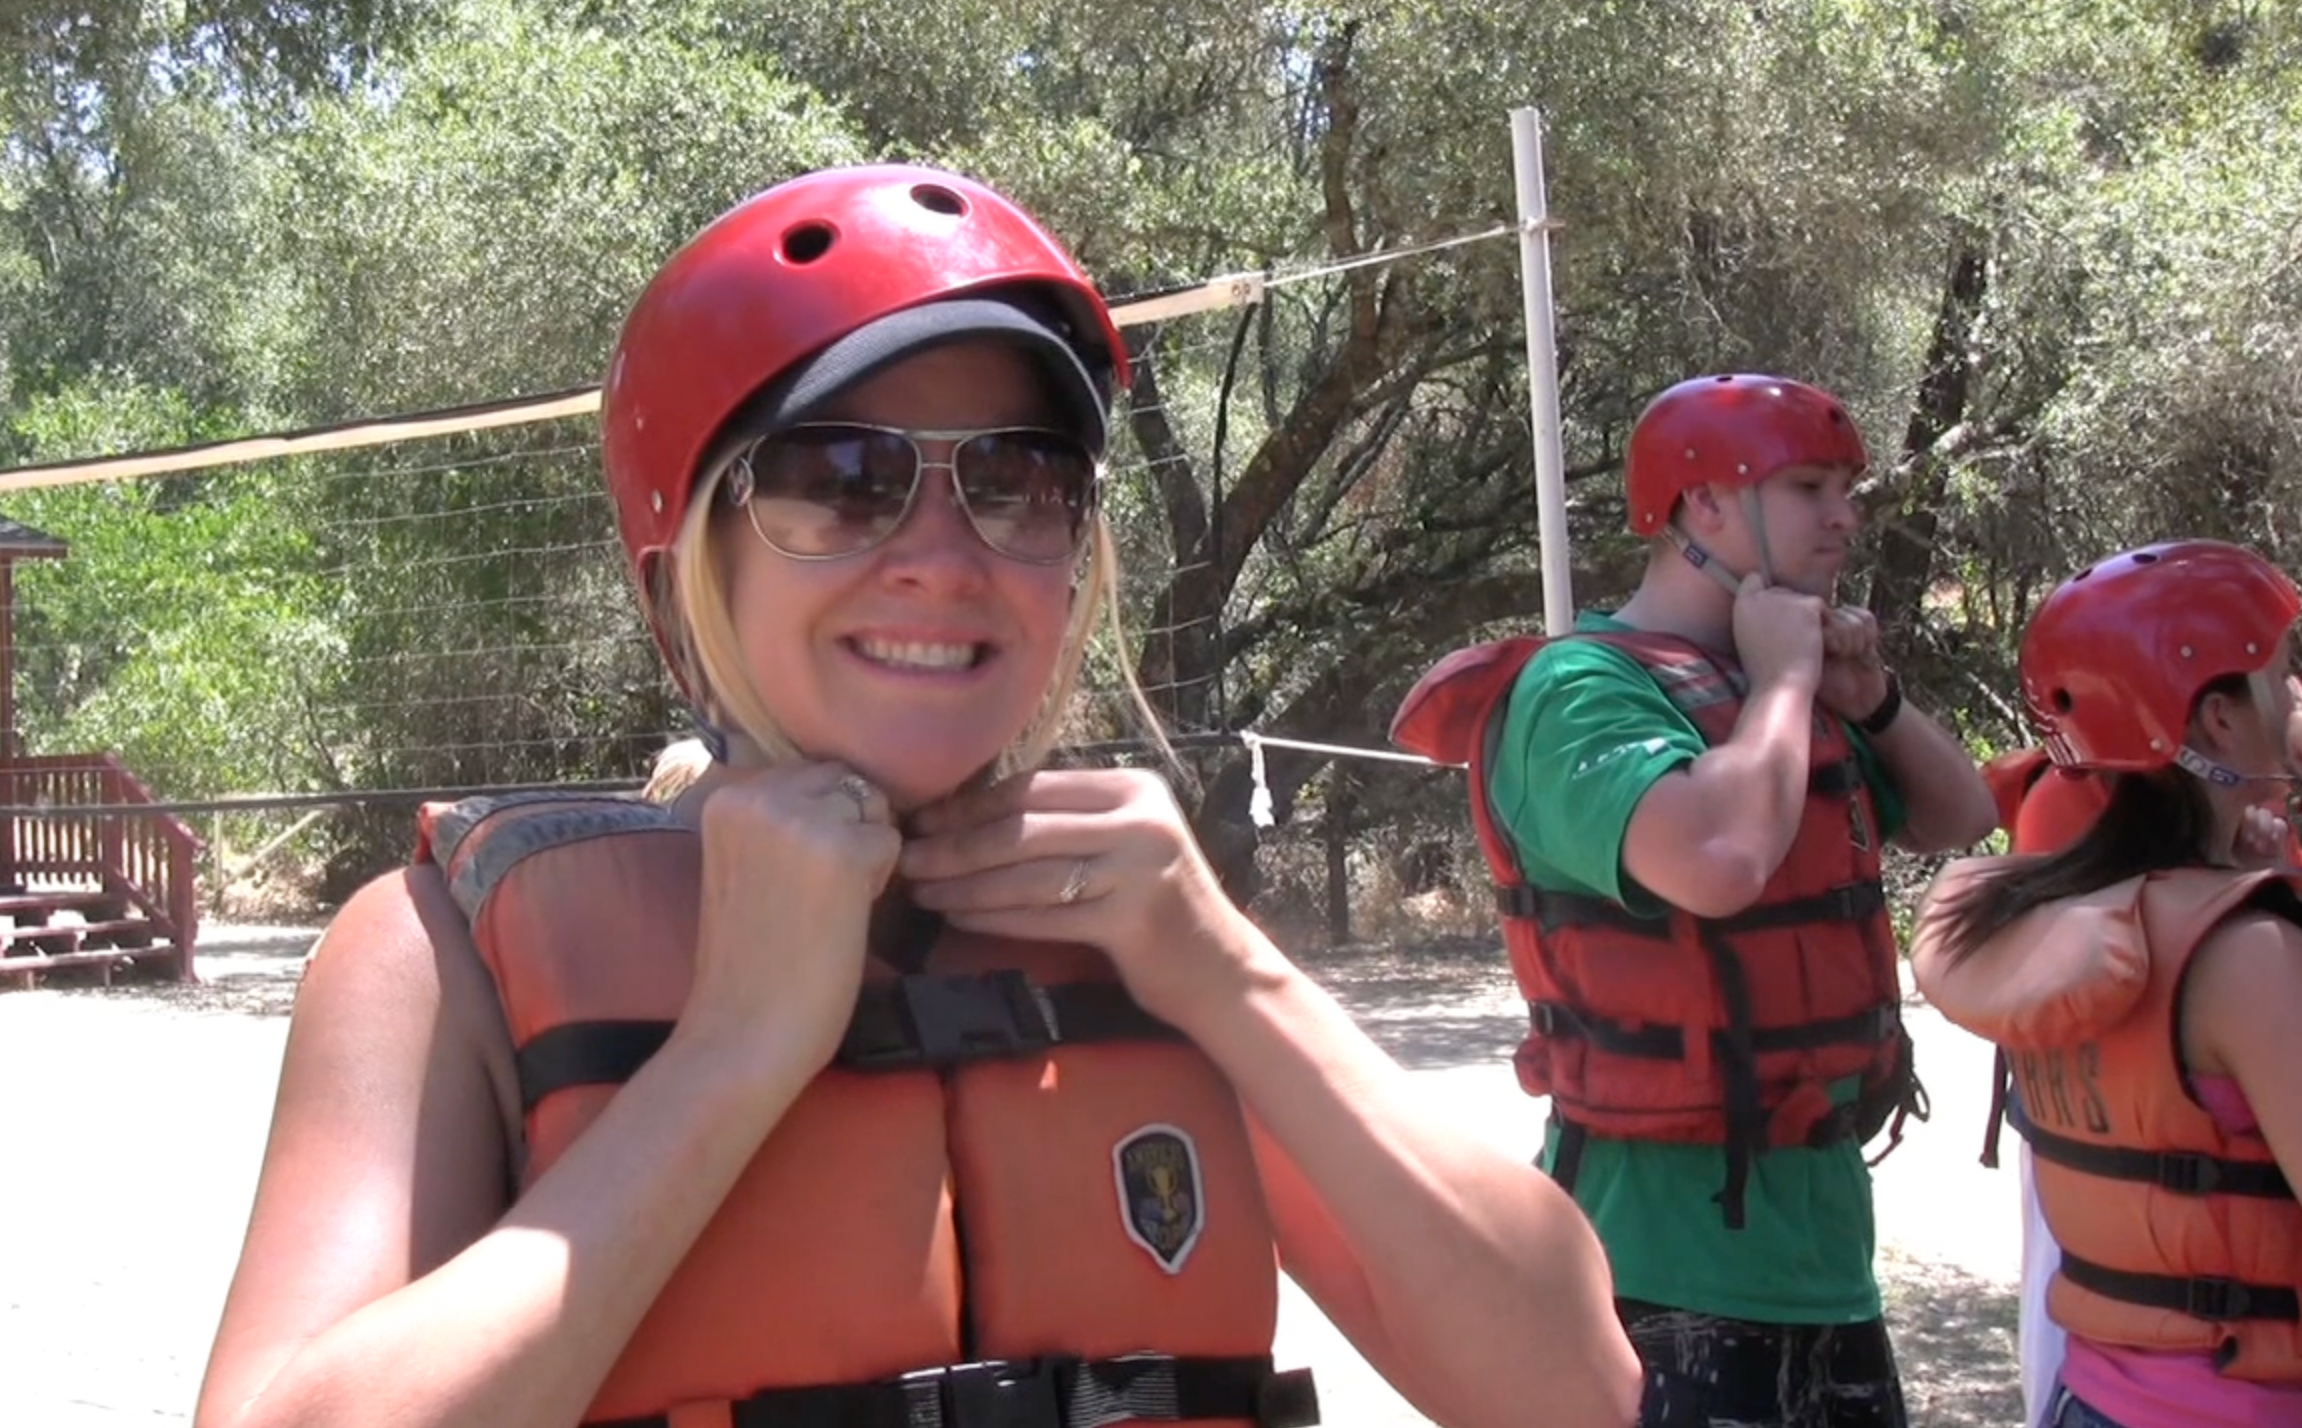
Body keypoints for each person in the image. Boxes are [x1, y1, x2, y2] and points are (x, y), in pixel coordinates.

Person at [187, 163, 1642, 1428]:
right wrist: (732, 1053)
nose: (944, 555)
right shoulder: (436, 953)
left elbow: (1573, 1393)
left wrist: (1233, 980)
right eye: (837, 475)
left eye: (1016, 480)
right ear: (680, 597)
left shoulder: (1150, 946)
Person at [1391, 373, 1999, 1427]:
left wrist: (1868, 698)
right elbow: (1715, 860)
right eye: (1810, 485)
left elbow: (1961, 816)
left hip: (1826, 1269)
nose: (1846, 516)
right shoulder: (1576, 692)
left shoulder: (1786, 685)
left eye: (1846, 487)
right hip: (1650, 1279)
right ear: (1702, 506)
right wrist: (1780, 687)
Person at [1910, 539, 2302, 1428]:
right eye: (2281, 676)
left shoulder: (2047, 913)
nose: (2297, 696)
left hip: (2092, 1399)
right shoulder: (2246, 956)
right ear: (2215, 723)